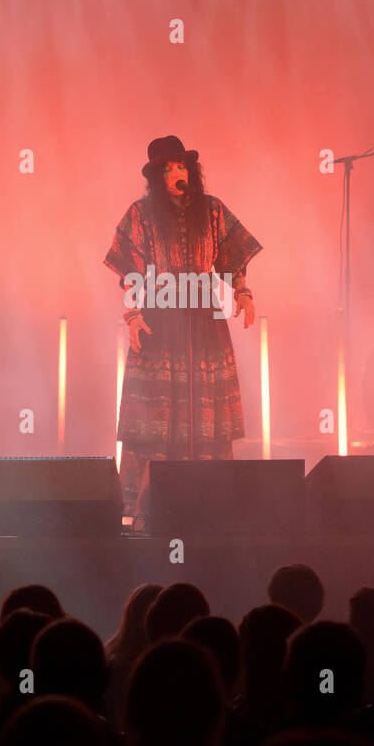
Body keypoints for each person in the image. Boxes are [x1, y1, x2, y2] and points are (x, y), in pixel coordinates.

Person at [104, 135, 262, 517]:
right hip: (159, 313)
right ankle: (148, 503)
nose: (177, 173)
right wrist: (133, 315)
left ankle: (209, 502)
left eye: (181, 166)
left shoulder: (212, 210)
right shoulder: (140, 214)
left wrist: (243, 291)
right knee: (157, 414)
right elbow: (129, 272)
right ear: (156, 176)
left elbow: (232, 257)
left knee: (202, 406)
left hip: (202, 314)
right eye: (168, 168)